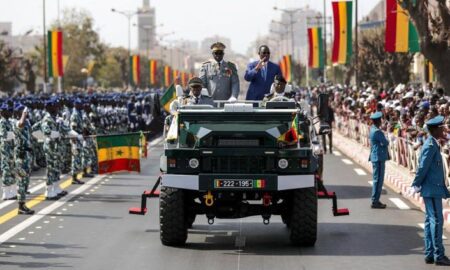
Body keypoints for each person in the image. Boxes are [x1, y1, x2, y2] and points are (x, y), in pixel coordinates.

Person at [409, 115, 450, 266]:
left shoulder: (433, 143)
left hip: (433, 188)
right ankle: (439, 255)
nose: (443, 130)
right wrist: (416, 184)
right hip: (431, 189)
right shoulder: (430, 146)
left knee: (429, 221)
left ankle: (429, 253)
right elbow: (423, 167)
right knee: (436, 221)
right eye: (441, 128)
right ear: (434, 129)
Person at [13, 103, 35, 214]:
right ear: (18, 112)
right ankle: (20, 207)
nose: (25, 113)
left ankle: (23, 204)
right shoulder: (16, 122)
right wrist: (24, 114)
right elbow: (20, 124)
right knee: (21, 180)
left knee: (25, 181)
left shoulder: (27, 123)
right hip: (21, 155)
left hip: (27, 155)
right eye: (22, 111)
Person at [368, 111, 389, 209]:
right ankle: (375, 200)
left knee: (377, 179)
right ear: (378, 121)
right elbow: (385, 142)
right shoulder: (377, 131)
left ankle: (375, 200)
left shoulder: (372, 129)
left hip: (376, 156)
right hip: (379, 157)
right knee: (378, 180)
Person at [0, 103, 17, 200]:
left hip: (10, 147)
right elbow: (4, 135)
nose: (10, 112)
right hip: (5, 148)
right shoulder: (2, 122)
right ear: (2, 112)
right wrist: (16, 134)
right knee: (6, 168)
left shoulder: (8, 121)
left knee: (11, 168)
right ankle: (6, 193)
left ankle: (12, 190)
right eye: (8, 110)